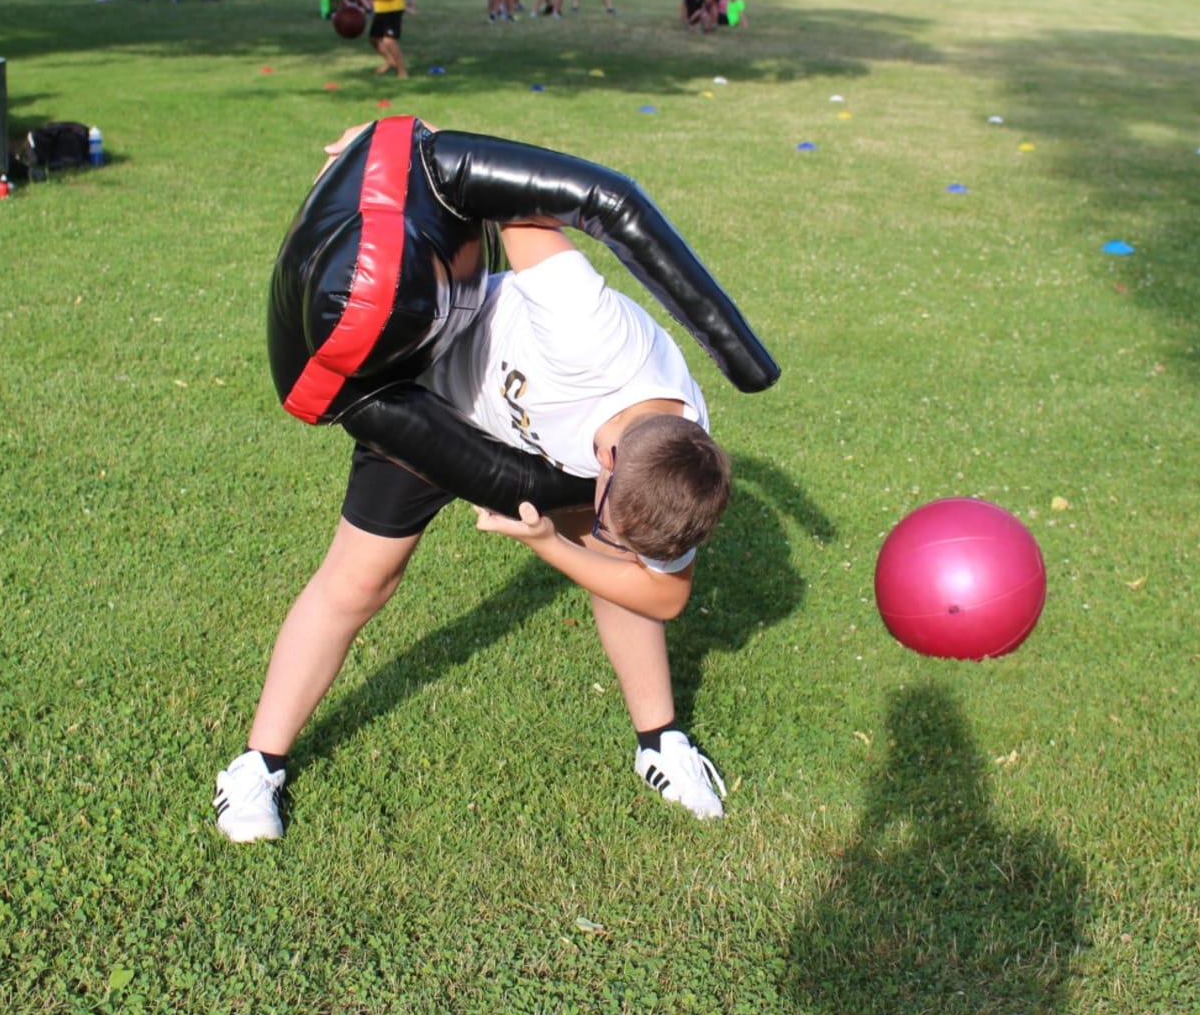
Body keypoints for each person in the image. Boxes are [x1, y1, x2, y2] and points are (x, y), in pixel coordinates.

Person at [212, 116, 780, 842]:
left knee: (618, 575)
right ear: (606, 464)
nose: (613, 531)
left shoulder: (680, 471)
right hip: (426, 387)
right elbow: (517, 194)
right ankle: (255, 766)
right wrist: (412, 154)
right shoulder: (587, 331)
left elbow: (665, 594)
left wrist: (553, 544)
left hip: (535, 455)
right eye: (610, 517)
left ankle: (661, 742)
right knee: (359, 581)